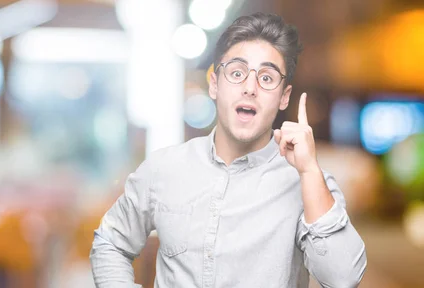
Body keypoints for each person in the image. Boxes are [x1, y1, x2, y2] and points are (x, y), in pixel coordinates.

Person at [90, 12, 367, 288]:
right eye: (237, 72)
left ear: (283, 98)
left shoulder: (309, 182)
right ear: (214, 85)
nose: (250, 88)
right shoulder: (164, 168)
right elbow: (110, 242)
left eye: (267, 79)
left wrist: (308, 172)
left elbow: (343, 279)